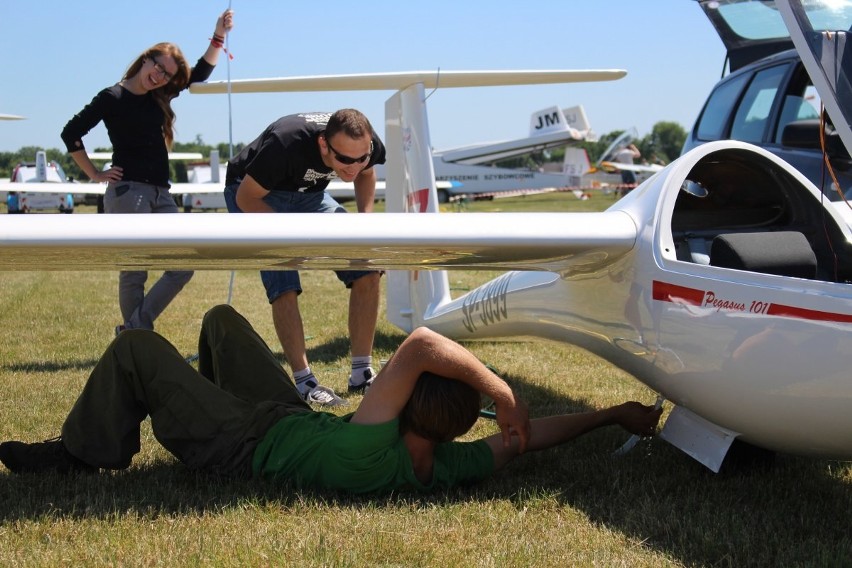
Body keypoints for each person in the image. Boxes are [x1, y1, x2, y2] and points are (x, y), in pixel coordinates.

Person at [0, 304, 662, 494]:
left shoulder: (368, 440)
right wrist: (610, 416)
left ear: (400, 406)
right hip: (284, 420)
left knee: (137, 350)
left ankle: (83, 454)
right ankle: (197, 399)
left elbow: (423, 345)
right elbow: (529, 438)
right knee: (223, 322)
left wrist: (496, 387)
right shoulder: (436, 466)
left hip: (238, 446)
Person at [60, 9, 235, 335]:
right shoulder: (112, 97)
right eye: (158, 67)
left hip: (161, 192)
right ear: (146, 60)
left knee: (182, 265)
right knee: (134, 272)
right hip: (128, 193)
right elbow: (71, 132)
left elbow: (200, 72)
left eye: (167, 75)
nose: (160, 76)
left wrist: (218, 35)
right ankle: (139, 338)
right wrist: (95, 174)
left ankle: (134, 332)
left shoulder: (159, 96)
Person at [224, 110, 385, 406]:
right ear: (323, 144)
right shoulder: (285, 143)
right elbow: (245, 198)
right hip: (255, 193)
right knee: (283, 279)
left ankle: (362, 373)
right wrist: (290, 236)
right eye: (344, 160)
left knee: (367, 266)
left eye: (360, 157)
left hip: (309, 196)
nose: (352, 167)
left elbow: (367, 172)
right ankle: (305, 383)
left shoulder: (365, 144)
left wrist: (365, 219)